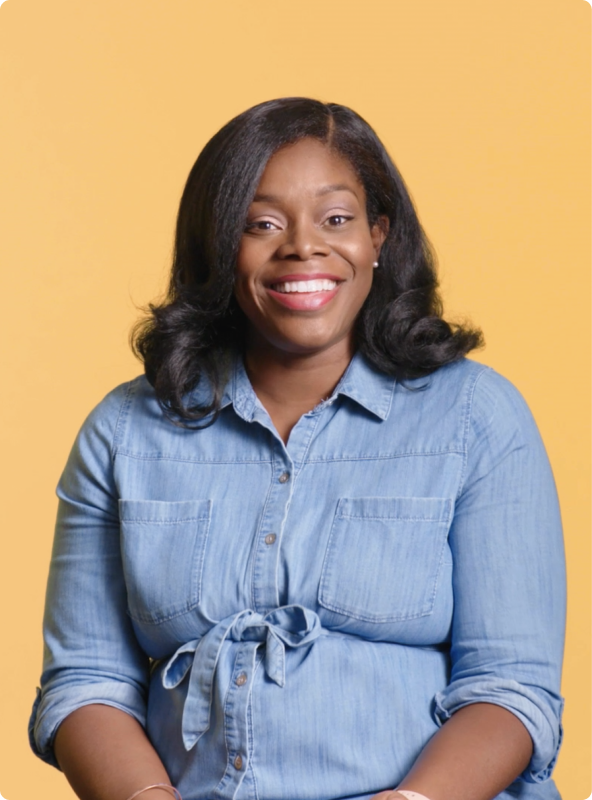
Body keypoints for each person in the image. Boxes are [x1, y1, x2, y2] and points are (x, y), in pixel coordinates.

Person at [29, 97, 566, 800]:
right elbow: (85, 681)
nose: (303, 247)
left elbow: (511, 688)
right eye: (261, 224)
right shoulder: (125, 431)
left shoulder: (476, 417)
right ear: (219, 246)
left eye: (337, 219)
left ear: (378, 235)